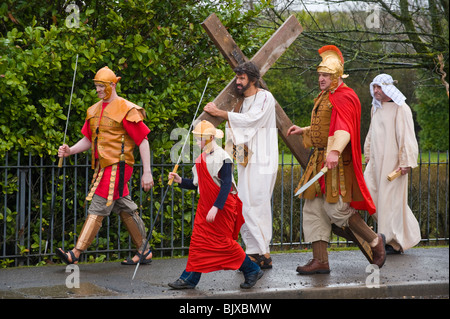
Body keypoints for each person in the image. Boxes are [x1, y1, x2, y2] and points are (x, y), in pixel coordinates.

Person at [287, 45, 386, 274]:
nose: (321, 79)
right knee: (313, 209)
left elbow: (344, 129)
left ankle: (375, 241)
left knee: (338, 210)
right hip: (319, 161)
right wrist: (304, 130)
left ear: (337, 76)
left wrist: (334, 152)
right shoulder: (326, 96)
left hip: (337, 163)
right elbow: (326, 127)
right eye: (320, 75)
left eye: (326, 75)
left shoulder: (345, 96)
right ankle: (320, 261)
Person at [56, 66, 154, 265]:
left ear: (112, 85)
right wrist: (70, 151)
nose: (98, 90)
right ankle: (144, 250)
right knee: (125, 207)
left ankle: (75, 253)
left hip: (119, 166)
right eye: (96, 86)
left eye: (101, 86)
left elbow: (143, 141)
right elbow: (89, 139)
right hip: (103, 167)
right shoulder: (93, 110)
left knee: (98, 205)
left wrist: (147, 172)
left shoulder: (126, 109)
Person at [167, 120, 263, 289]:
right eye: (196, 138)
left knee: (223, 243)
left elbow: (226, 185)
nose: (197, 142)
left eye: (200, 139)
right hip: (205, 208)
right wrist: (180, 180)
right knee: (198, 242)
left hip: (222, 207)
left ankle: (252, 269)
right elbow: (197, 184)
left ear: (211, 138)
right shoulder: (200, 159)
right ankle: (189, 279)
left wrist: (216, 207)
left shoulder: (223, 158)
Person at [203, 61, 278, 269]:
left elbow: (252, 120)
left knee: (258, 203)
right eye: (237, 77)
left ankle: (264, 251)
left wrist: (220, 113)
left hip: (263, 158)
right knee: (243, 204)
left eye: (242, 78)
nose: (238, 81)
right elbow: (236, 128)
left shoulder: (265, 97)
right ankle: (253, 252)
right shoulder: (240, 103)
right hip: (245, 158)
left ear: (253, 79)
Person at [364, 73, 421, 254]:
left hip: (393, 165)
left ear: (388, 88)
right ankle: (404, 233)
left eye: (379, 87)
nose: (376, 91)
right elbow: (371, 132)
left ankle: (389, 241)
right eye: (374, 87)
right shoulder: (376, 108)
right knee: (370, 194)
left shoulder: (401, 108)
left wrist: (405, 162)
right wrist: (368, 154)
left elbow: (407, 136)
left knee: (390, 202)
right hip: (375, 163)